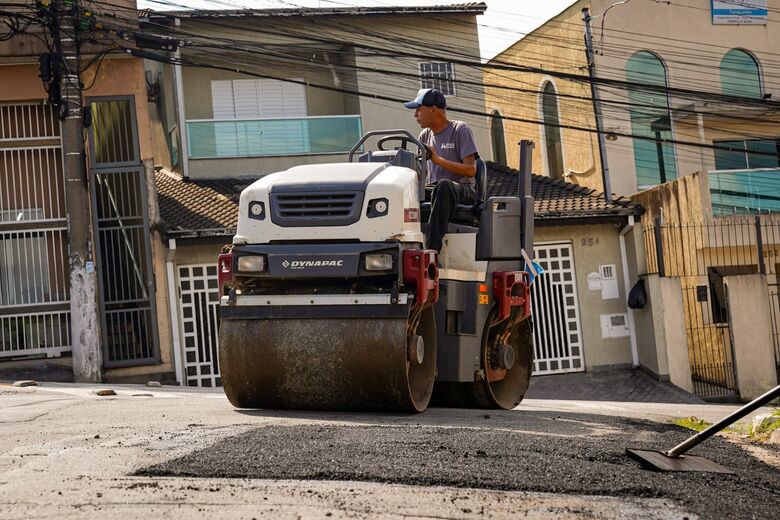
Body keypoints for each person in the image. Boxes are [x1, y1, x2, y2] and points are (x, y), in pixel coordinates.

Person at [403, 88, 479, 254]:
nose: (415, 114)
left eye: (419, 109)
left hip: (462, 189)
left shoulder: (460, 129)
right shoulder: (424, 135)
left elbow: (471, 170)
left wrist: (438, 160)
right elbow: (421, 174)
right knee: (404, 191)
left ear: (434, 110)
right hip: (435, 188)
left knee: (444, 186)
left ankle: (431, 250)